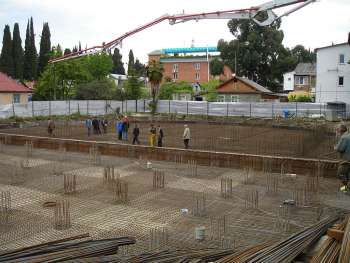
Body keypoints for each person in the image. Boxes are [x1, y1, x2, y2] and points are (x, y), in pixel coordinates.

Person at [334, 124, 350, 193]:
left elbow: (340, 148)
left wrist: (335, 147)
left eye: (337, 130)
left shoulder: (345, 138)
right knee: (347, 175)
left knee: (341, 174)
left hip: (346, 160)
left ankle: (345, 189)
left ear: (339, 131)